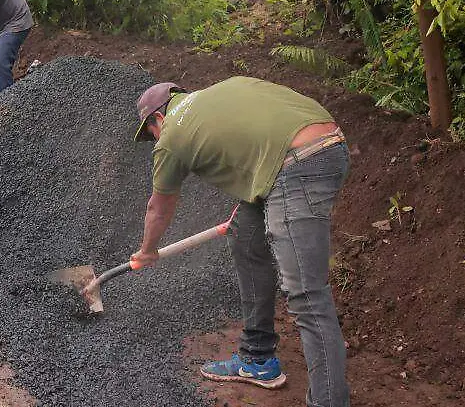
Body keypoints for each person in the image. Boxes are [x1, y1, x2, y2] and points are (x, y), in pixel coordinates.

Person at [130, 78, 350, 407]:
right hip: (323, 144)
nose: (154, 141)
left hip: (297, 164)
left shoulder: (172, 135)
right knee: (245, 234)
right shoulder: (221, 91)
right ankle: (258, 359)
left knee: (306, 293)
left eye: (150, 134)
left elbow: (158, 209)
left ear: (157, 119)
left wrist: (148, 250)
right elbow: (262, 131)